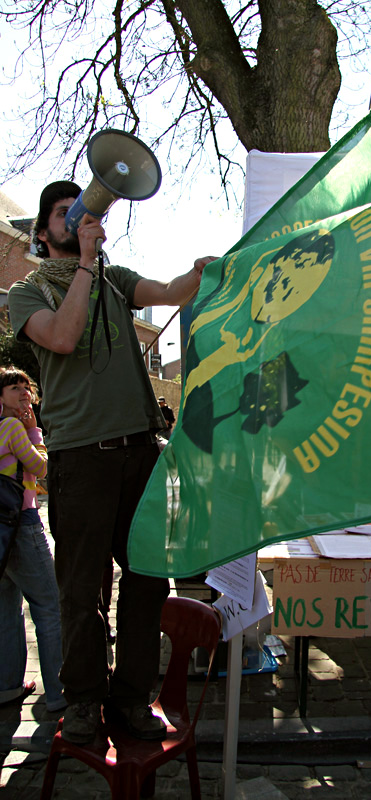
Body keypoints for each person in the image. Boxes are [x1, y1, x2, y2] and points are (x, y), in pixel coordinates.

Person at [8, 180, 215, 745]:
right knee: (79, 590)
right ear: (42, 232)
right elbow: (63, 336)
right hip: (80, 459)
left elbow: (168, 291)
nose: (78, 219)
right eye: (64, 214)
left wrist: (198, 273)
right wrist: (86, 264)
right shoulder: (27, 292)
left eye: (83, 211)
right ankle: (82, 702)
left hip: (139, 453)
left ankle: (131, 700)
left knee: (147, 583)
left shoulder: (114, 279)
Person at [0, 366, 65, 712]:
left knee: (7, 609)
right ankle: (58, 692)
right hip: (21, 523)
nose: (23, 392)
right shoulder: (12, 428)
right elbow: (42, 469)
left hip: (1, 530)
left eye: (26, 387)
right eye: (14, 387)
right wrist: (33, 430)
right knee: (49, 605)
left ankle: (7, 686)